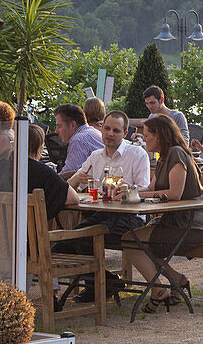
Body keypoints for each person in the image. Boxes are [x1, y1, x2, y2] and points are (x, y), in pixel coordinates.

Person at [122, 114, 203, 313]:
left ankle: (157, 289)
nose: (144, 139)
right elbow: (151, 188)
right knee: (139, 241)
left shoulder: (176, 153)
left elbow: (174, 193)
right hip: (175, 221)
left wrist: (137, 193)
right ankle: (176, 280)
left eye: (147, 135)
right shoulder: (164, 156)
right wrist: (128, 190)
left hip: (190, 223)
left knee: (131, 240)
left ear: (160, 135)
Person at [61, 110, 151, 301]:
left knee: (81, 237)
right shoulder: (96, 156)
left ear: (125, 133)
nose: (110, 134)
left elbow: (144, 188)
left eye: (116, 131)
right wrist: (77, 178)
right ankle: (105, 281)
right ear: (101, 128)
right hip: (101, 215)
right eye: (107, 128)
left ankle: (99, 286)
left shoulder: (137, 154)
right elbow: (69, 187)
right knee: (66, 243)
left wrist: (129, 189)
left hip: (131, 218)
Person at [0, 125, 79, 223]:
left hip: (1, 232)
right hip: (30, 234)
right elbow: (73, 198)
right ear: (40, 147)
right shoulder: (43, 171)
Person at [55, 104, 104, 177]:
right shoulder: (93, 131)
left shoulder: (78, 140)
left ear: (73, 125)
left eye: (59, 126)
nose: (56, 131)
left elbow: (69, 174)